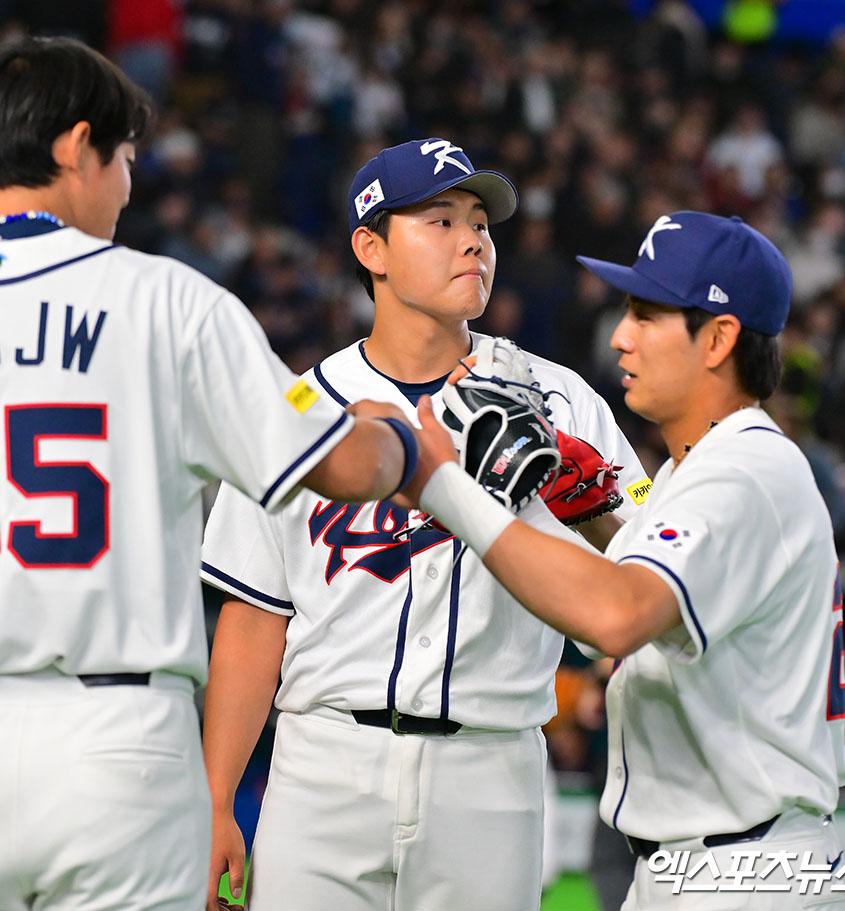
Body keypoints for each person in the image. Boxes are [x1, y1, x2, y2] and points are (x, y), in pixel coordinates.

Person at [0, 37, 416, 911]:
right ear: (74, 147)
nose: (128, 183)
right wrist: (398, 435)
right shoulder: (167, 301)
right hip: (121, 744)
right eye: (124, 156)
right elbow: (344, 467)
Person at [199, 138, 650, 911]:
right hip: (324, 765)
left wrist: (599, 504)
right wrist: (213, 801)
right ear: (370, 247)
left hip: (492, 767)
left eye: (481, 221)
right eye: (440, 220)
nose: (474, 238)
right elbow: (253, 617)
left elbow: (648, 582)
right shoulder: (300, 408)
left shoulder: (566, 402)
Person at [406, 211, 845, 909]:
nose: (620, 336)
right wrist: (587, 512)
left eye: (646, 316)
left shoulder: (744, 471)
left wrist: (445, 485)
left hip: (745, 868)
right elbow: (626, 613)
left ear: (719, 338)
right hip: (703, 863)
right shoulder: (699, 470)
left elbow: (617, 616)